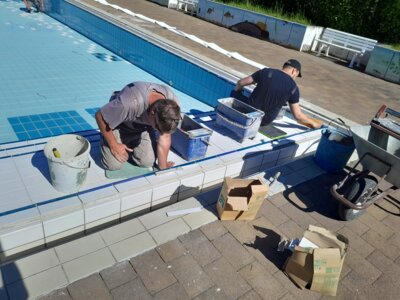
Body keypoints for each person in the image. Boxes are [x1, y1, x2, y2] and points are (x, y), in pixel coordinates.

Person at [95, 82, 181, 171]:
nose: (160, 132)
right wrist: (114, 145)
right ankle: (107, 138)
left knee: (147, 162)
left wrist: (163, 167)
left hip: (140, 128)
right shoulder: (129, 103)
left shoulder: (172, 105)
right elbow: (99, 116)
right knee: (113, 165)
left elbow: (165, 136)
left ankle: (129, 143)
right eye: (158, 128)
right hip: (118, 124)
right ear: (152, 114)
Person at [234, 59, 323, 128]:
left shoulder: (266, 72)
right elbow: (298, 116)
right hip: (264, 121)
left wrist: (238, 93)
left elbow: (241, 83)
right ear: (294, 71)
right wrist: (313, 123)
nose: (295, 77)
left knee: (235, 93)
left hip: (248, 112)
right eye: (297, 75)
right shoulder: (294, 88)